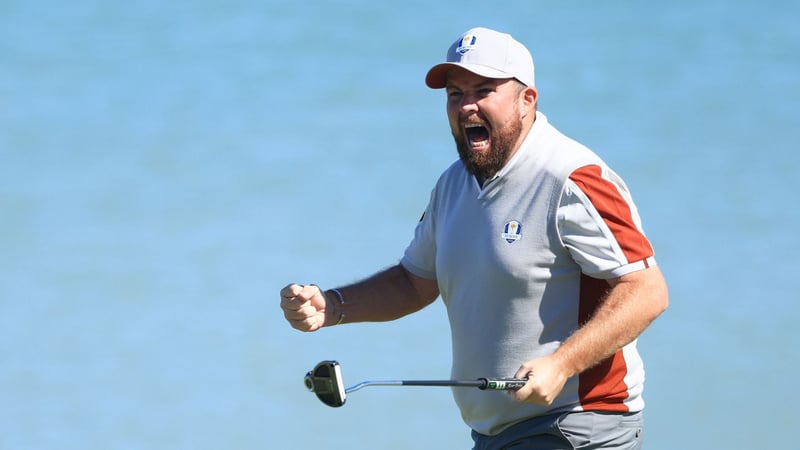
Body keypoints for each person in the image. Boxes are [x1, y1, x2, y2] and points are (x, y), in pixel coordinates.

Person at [280, 27, 668, 450]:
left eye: (484, 91)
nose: (467, 106)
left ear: (527, 100)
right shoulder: (453, 185)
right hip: (494, 435)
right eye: (454, 94)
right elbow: (415, 281)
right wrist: (334, 305)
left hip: (578, 425)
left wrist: (561, 365)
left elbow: (646, 291)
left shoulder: (573, 178)